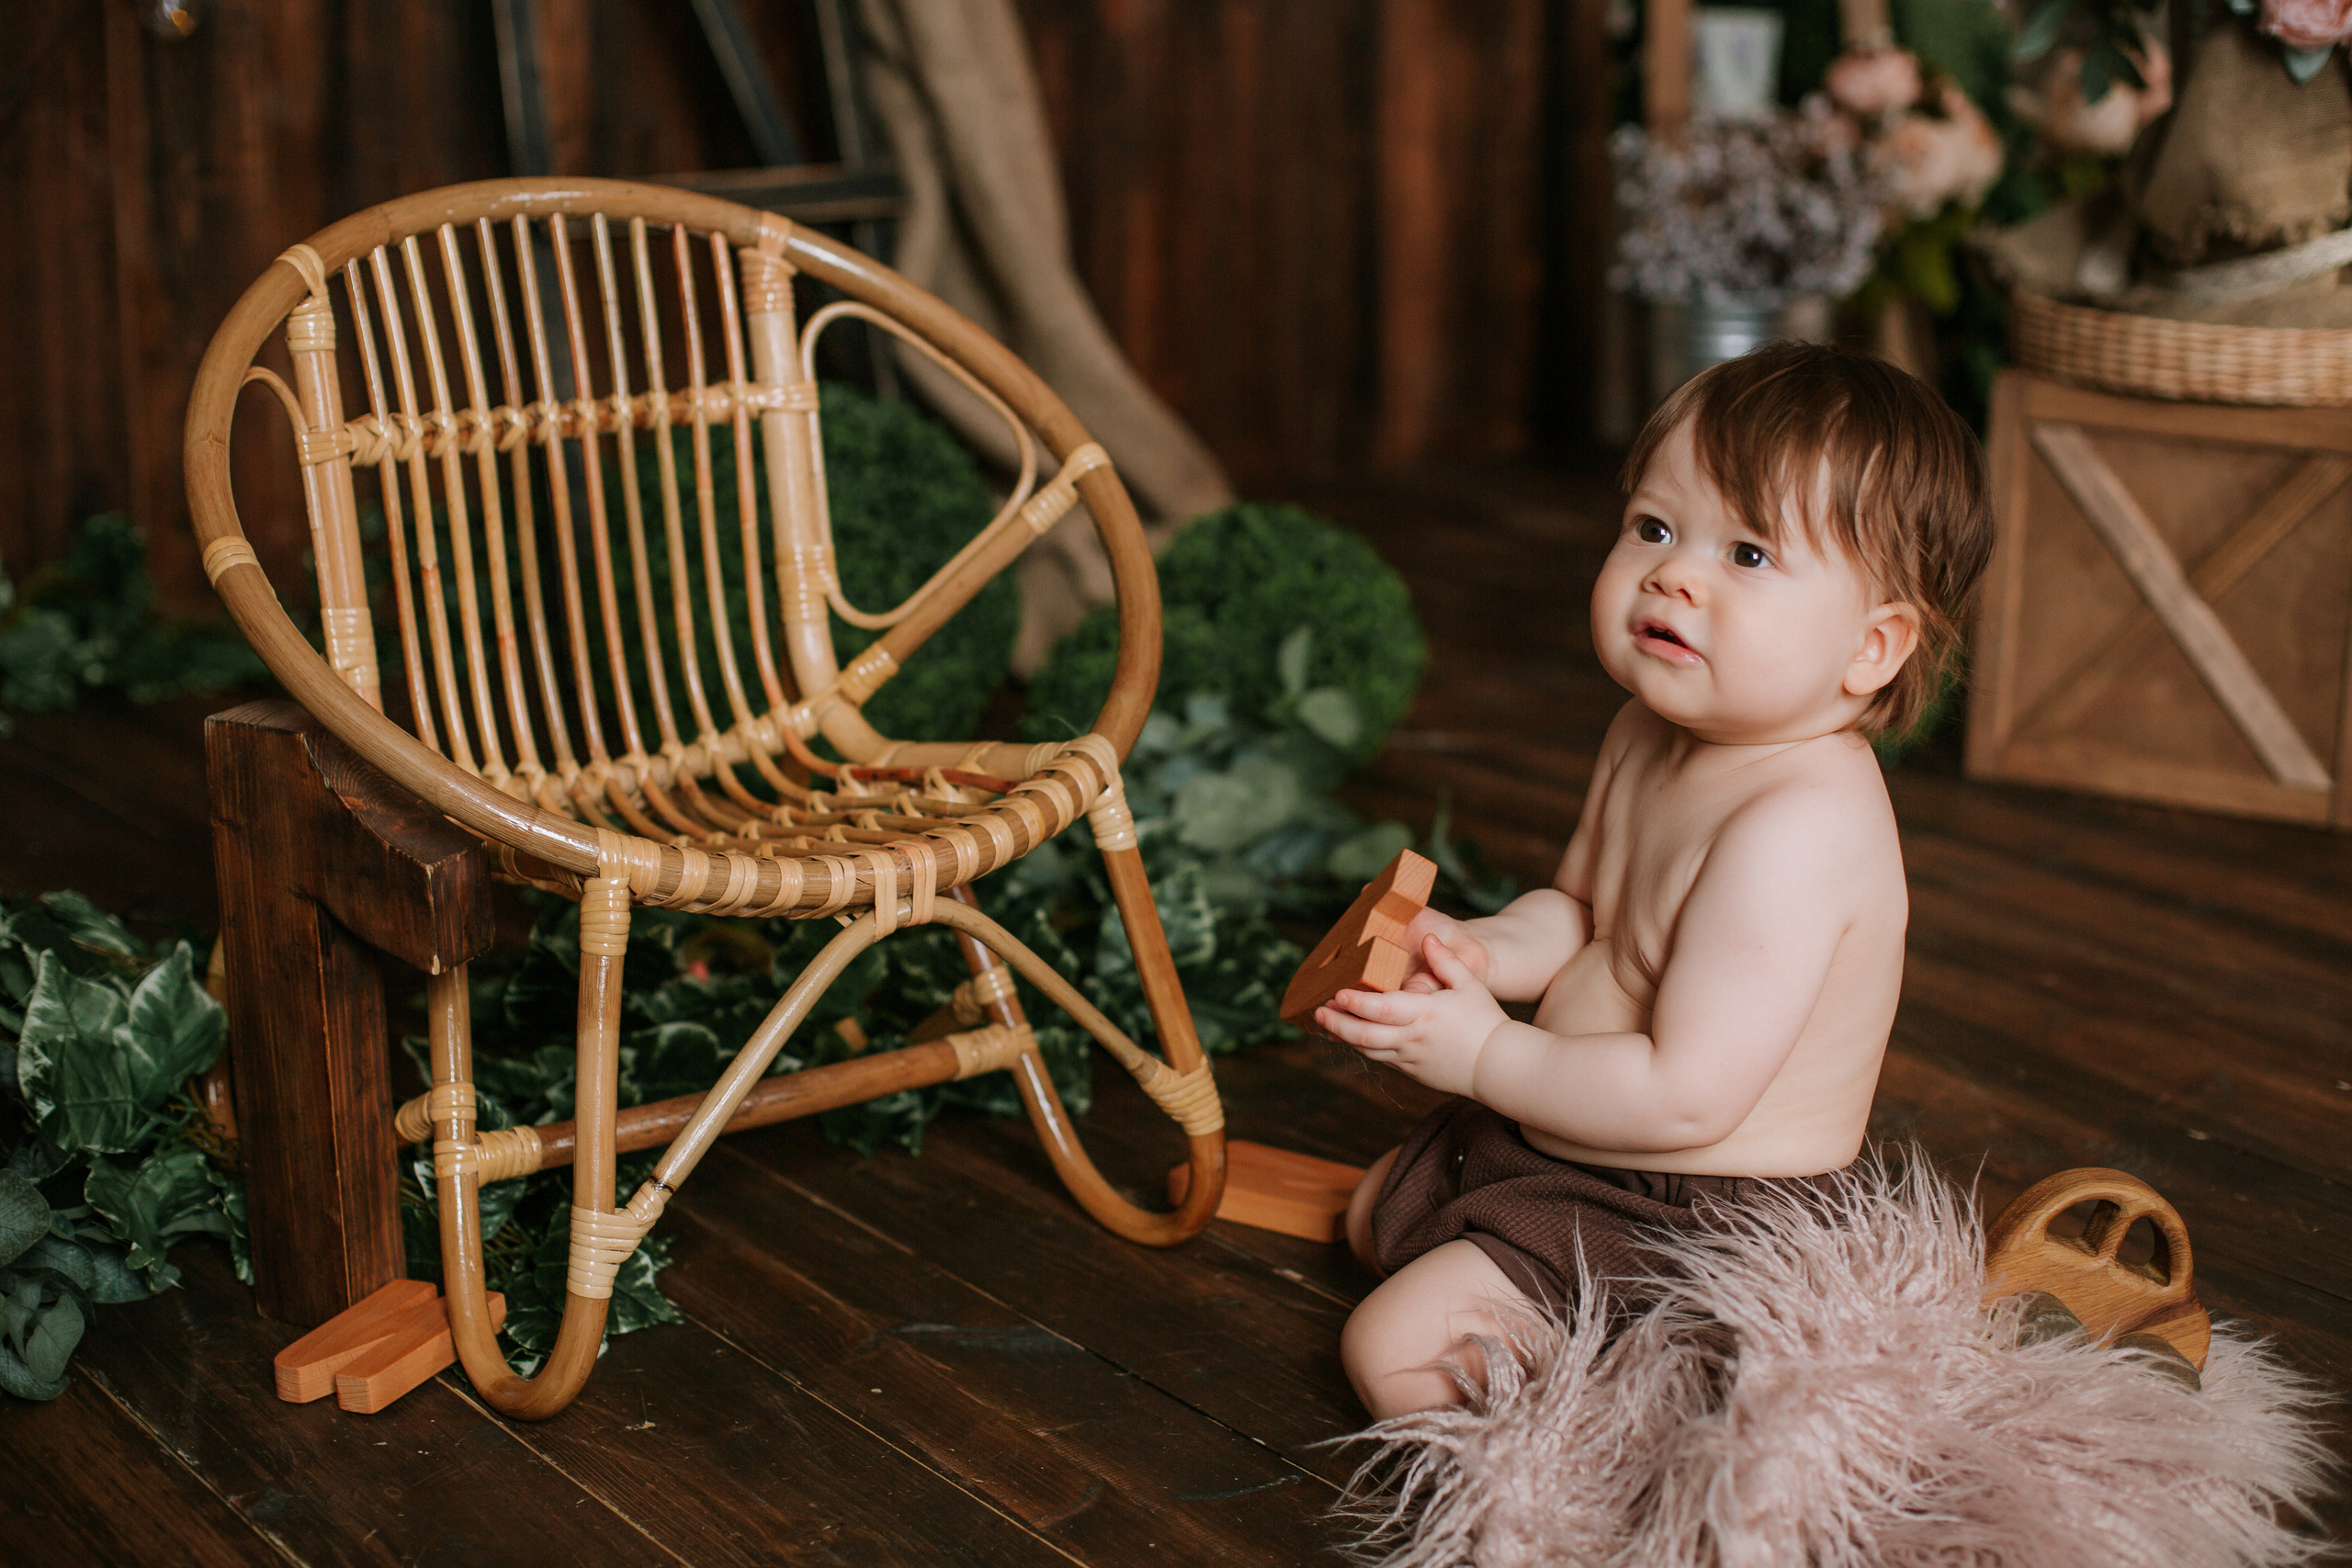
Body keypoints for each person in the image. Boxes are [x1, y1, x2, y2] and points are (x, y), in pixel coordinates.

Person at [1320, 343, 1995, 1420]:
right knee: (1371, 1216)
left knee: (1392, 1345)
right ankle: (1530, 1285)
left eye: (1749, 554)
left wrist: (1487, 1049)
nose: (1675, 573)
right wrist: (1483, 950)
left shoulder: (1797, 827)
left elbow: (1688, 1096)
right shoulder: (1647, 730)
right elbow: (1586, 912)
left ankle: (1637, 1430)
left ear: (1871, 648)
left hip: (1700, 1208)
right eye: (1654, 527)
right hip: (1575, 1131)